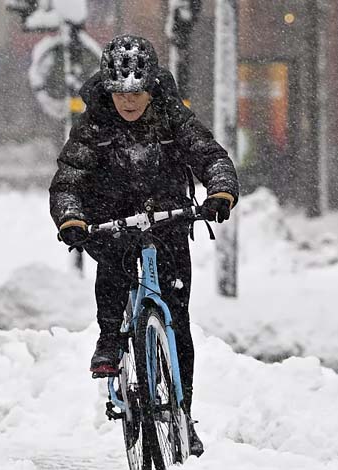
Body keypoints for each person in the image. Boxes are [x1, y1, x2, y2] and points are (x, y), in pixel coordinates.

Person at [48, 34, 239, 456]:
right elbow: (67, 182)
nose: (129, 101)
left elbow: (210, 155)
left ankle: (183, 415)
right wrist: (72, 218)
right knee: (114, 270)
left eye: (137, 92)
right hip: (111, 223)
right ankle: (110, 340)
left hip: (169, 221)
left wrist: (221, 189)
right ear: (109, 92)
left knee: (178, 321)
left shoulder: (172, 116)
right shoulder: (94, 125)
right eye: (121, 94)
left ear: (152, 87)